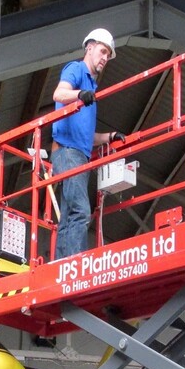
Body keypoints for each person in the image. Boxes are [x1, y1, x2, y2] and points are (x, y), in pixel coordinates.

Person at [51, 28, 125, 259]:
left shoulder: (90, 89)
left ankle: (62, 264)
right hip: (68, 152)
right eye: (103, 51)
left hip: (79, 154)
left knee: (70, 214)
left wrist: (108, 137)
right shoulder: (76, 70)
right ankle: (74, 266)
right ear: (89, 48)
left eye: (108, 55)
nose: (105, 57)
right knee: (81, 211)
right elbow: (59, 94)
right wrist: (79, 94)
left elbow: (86, 135)